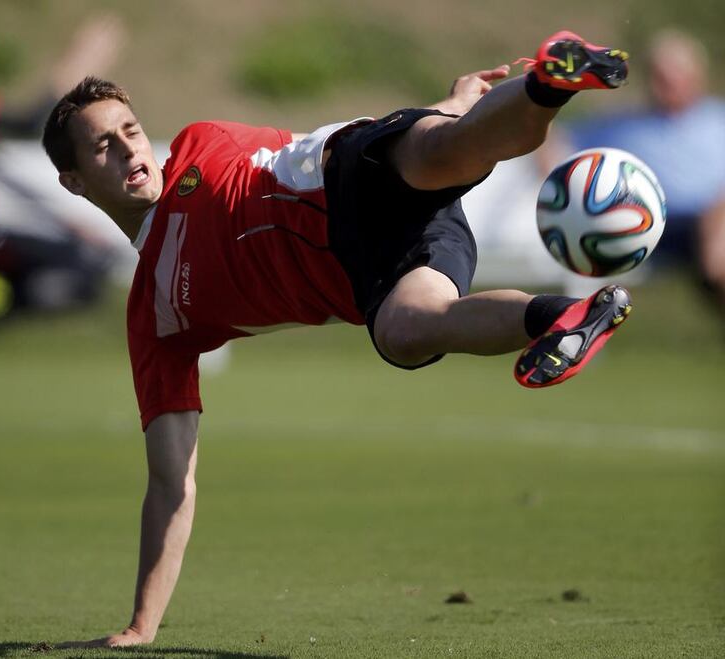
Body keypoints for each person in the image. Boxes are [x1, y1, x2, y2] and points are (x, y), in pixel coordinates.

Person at [43, 30, 633, 648]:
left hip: (344, 173)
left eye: (131, 130)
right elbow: (170, 482)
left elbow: (389, 137)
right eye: (103, 146)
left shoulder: (196, 144)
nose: (128, 149)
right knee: (408, 332)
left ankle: (553, 78)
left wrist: (454, 105)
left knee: (452, 147)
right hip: (371, 268)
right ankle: (566, 316)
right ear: (75, 182)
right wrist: (140, 627)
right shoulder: (157, 318)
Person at [0, 0, 123, 320]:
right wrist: (77, 65)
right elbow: (28, 122)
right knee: (79, 264)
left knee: (83, 264)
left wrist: (65, 220)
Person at [556, 29, 725, 308]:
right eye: (659, 77)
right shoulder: (622, 125)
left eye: (675, 76)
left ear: (696, 76)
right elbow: (558, 138)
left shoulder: (717, 119)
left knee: (718, 215)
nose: (666, 85)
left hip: (709, 222)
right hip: (643, 223)